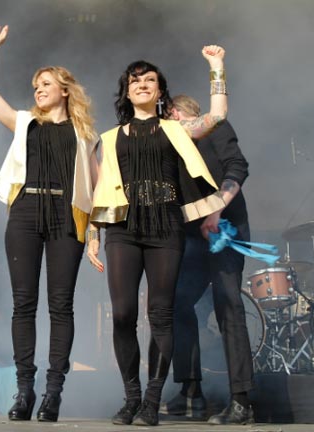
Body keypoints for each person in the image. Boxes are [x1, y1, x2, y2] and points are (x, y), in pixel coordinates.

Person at [86, 46, 228, 426]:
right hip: (123, 228)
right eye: (136, 80)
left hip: (165, 227)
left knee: (161, 314)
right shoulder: (110, 138)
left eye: (150, 80)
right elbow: (100, 191)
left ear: (160, 91)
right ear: (126, 91)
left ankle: (151, 400)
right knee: (122, 314)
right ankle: (131, 397)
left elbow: (216, 116)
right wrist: (92, 235)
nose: (143, 84)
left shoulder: (176, 129)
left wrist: (216, 66)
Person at [0, 25, 99, 422]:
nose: (38, 90)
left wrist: (95, 233)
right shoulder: (25, 122)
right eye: (35, 86)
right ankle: (24, 390)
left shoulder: (85, 133)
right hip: (26, 211)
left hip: (67, 214)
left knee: (61, 305)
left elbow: (96, 188)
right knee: (23, 303)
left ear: (65, 89)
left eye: (46, 84)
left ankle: (53, 393)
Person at [159, 94, 254, 425]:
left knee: (228, 304)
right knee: (176, 302)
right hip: (191, 235)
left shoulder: (214, 127)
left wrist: (216, 210)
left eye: (168, 114)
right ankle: (190, 391)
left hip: (224, 228)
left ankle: (241, 401)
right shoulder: (173, 146)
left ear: (180, 113)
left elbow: (238, 167)